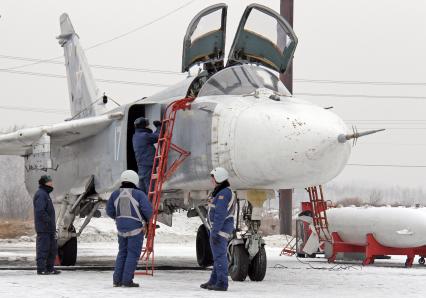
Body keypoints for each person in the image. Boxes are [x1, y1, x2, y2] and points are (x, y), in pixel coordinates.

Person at [106, 170, 153, 287]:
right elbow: (148, 211)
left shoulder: (115, 194)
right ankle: (127, 280)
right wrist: (146, 220)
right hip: (135, 229)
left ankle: (117, 280)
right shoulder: (139, 194)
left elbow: (109, 211)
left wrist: (120, 219)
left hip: (121, 229)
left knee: (122, 253)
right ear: (135, 180)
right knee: (132, 254)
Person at [201, 167, 235, 291]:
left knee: (220, 256)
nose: (211, 181)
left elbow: (220, 214)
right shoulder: (221, 192)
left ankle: (222, 283)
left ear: (218, 178)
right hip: (218, 229)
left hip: (219, 230)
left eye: (213, 178)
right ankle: (213, 281)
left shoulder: (224, 193)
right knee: (217, 256)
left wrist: (215, 232)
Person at [33, 175, 60, 275]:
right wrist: (48, 221)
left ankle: (50, 268)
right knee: (43, 248)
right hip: (44, 228)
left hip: (49, 228)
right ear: (44, 183)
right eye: (49, 181)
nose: (51, 183)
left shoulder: (46, 194)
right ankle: (41, 269)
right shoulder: (41, 194)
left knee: (52, 249)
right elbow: (40, 211)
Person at [132, 117, 162, 194]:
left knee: (142, 186)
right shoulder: (144, 135)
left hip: (141, 165)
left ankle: (142, 203)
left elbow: (151, 136)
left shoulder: (135, 136)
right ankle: (149, 204)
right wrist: (159, 126)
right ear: (144, 126)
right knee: (150, 187)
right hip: (148, 163)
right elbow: (158, 136)